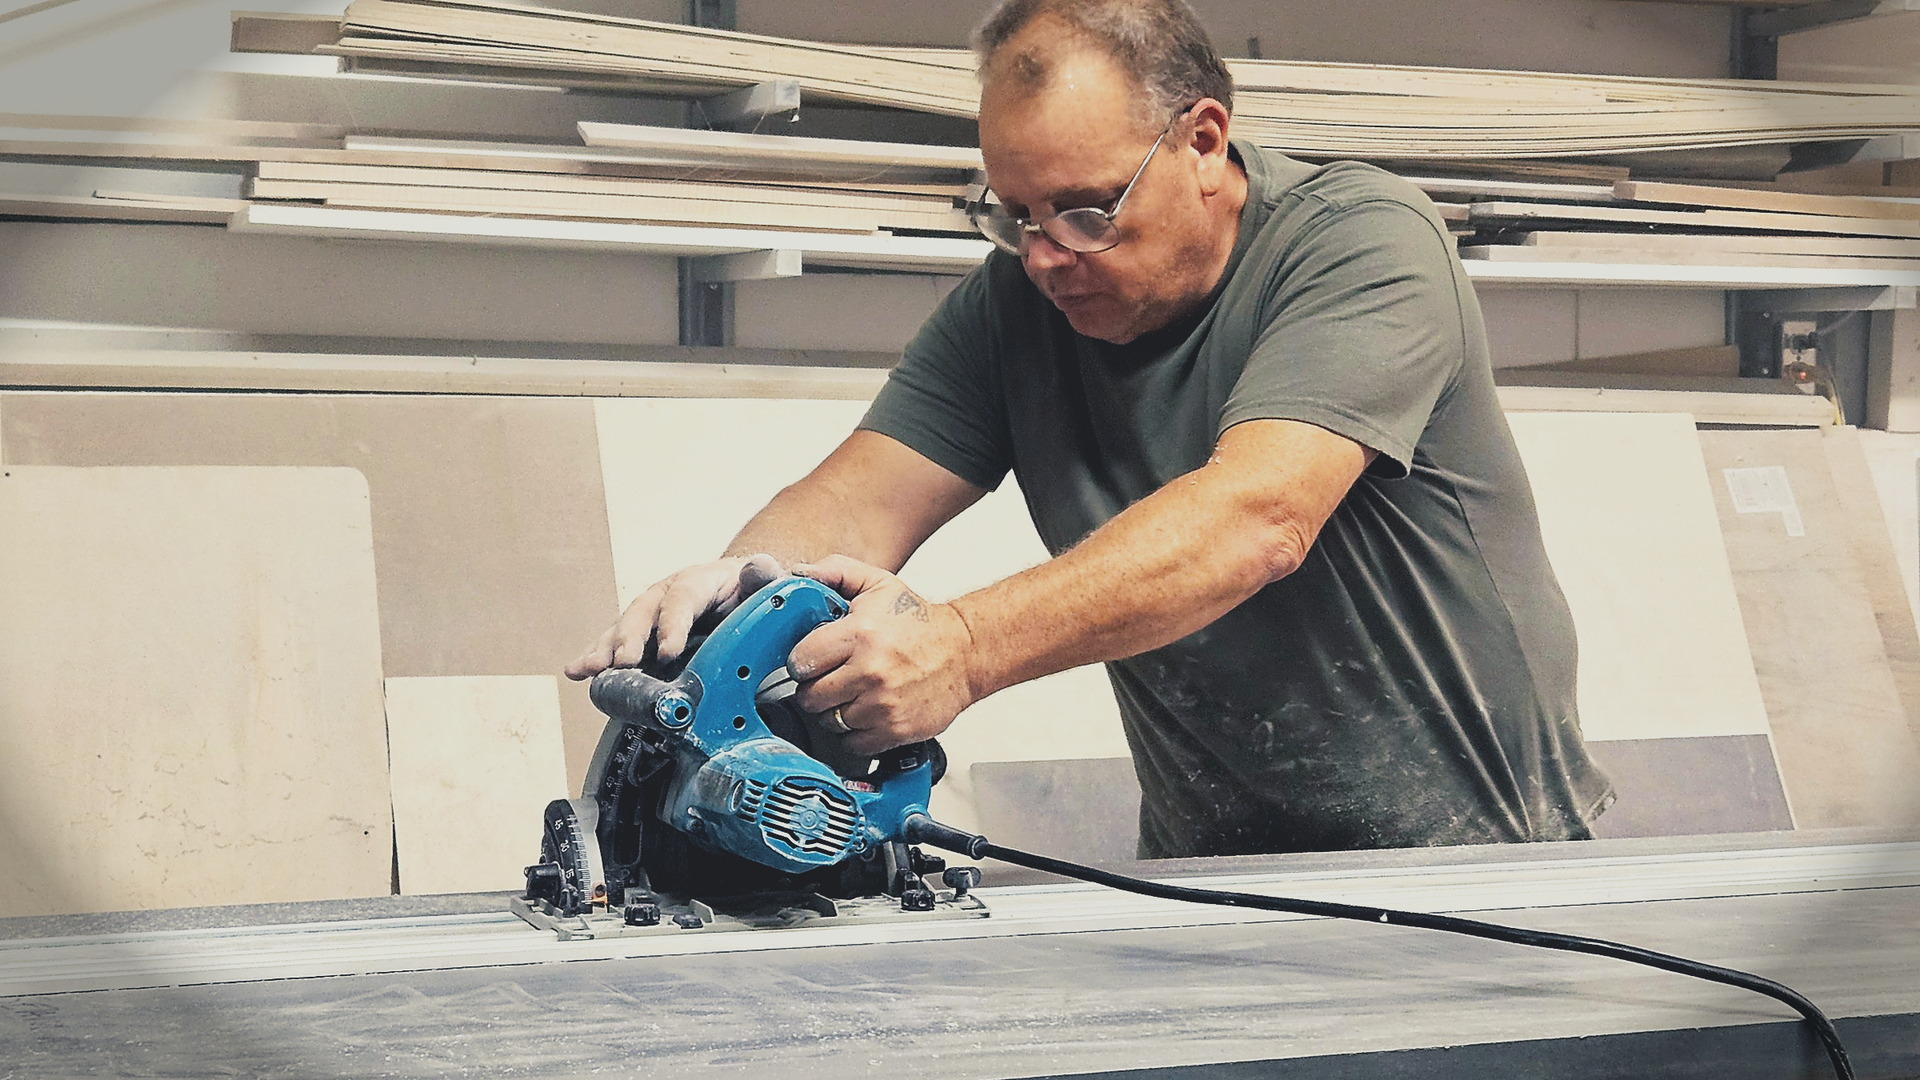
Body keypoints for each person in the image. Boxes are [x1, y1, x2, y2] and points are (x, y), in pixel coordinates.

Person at [568, 0, 1614, 858]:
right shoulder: (1017, 305)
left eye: (1085, 210)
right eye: (1014, 214)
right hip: (1218, 874)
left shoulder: (1360, 245)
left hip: (1475, 859)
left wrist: (961, 649)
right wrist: (737, 591)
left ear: (1203, 142)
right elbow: (859, 496)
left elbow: (1257, 519)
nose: (1045, 256)